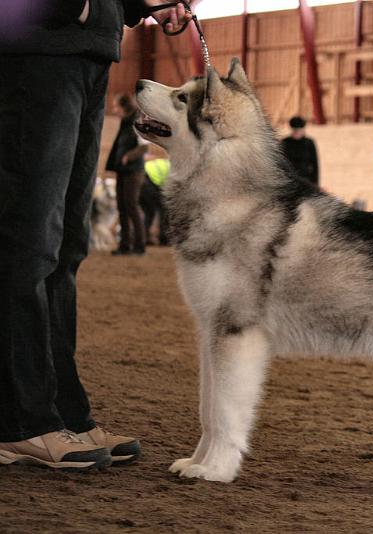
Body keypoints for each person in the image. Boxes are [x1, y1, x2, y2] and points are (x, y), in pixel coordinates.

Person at [0, 0, 193, 471]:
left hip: (90, 51)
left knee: (67, 246)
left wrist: (143, 4)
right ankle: (21, 423)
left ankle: (65, 412)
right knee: (28, 244)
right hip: (38, 50)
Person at [107, 93, 148, 255]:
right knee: (122, 207)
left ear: (124, 106)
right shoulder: (125, 122)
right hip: (122, 170)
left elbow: (144, 147)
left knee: (131, 206)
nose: (114, 110)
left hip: (134, 171)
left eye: (116, 106)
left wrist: (128, 157)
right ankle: (124, 245)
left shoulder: (138, 121)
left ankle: (140, 245)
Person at [141, 156, 171, 246]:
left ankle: (143, 238)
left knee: (148, 212)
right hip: (149, 183)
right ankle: (163, 239)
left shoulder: (163, 163)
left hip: (139, 181)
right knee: (164, 211)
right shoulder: (174, 168)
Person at [280, 115, 319, 185]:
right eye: (295, 130)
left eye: (299, 130)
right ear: (292, 130)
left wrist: (315, 184)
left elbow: (315, 164)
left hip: (306, 180)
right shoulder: (285, 142)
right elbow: (281, 164)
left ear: (303, 130)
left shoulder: (309, 143)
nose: (297, 132)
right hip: (290, 180)